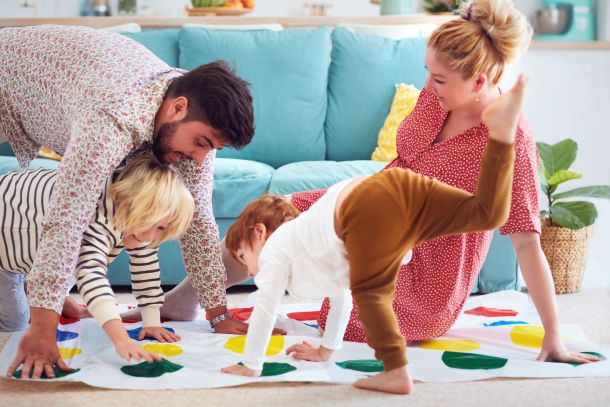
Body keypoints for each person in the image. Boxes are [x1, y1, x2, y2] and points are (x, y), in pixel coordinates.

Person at [220, 76, 588, 395]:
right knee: (275, 206)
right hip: (382, 197)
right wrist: (325, 349)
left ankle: (395, 370)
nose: (430, 80)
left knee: (359, 297)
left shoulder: (276, 254)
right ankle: (198, 301)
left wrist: (552, 333)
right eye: (431, 72)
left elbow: (525, 239)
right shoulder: (437, 91)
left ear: (476, 80)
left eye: (440, 76)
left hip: (424, 239)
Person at [0, 24, 254, 379]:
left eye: (211, 148)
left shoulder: (194, 123)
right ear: (177, 108)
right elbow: (67, 217)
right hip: (9, 70)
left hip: (72, 83)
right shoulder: (110, 120)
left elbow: (198, 221)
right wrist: (43, 325)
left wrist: (219, 313)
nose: (200, 158)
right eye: (201, 142)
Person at [1, 154, 194, 365]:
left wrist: (151, 322)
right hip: (6, 251)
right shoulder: (96, 218)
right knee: (14, 324)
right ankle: (33, 284)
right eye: (152, 224)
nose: (152, 236)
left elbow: (145, 266)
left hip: (35, 251)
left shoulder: (134, 219)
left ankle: (40, 286)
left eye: (161, 228)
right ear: (135, 205)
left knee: (72, 257)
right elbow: (91, 275)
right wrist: (121, 339)